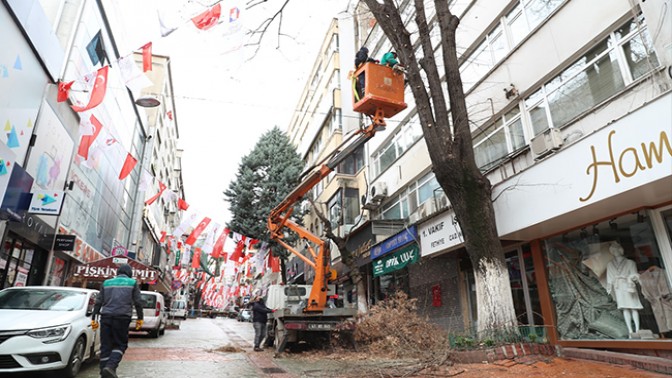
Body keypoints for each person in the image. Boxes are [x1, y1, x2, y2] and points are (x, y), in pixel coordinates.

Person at [91, 264, 144, 378]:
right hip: (122, 318)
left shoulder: (106, 283)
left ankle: (104, 372)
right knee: (120, 345)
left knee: (105, 346)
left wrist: (94, 317)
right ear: (129, 273)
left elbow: (99, 301)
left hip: (105, 317)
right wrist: (140, 318)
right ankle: (110, 366)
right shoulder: (132, 283)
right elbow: (138, 302)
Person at [606, 241, 643, 337]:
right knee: (625, 308)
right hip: (618, 288)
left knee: (634, 308)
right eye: (613, 250)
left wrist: (631, 277)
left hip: (629, 286)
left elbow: (635, 275)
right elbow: (609, 279)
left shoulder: (630, 262)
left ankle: (638, 330)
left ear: (620, 250)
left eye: (617, 249)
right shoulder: (610, 264)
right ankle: (630, 331)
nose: (615, 252)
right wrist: (609, 290)